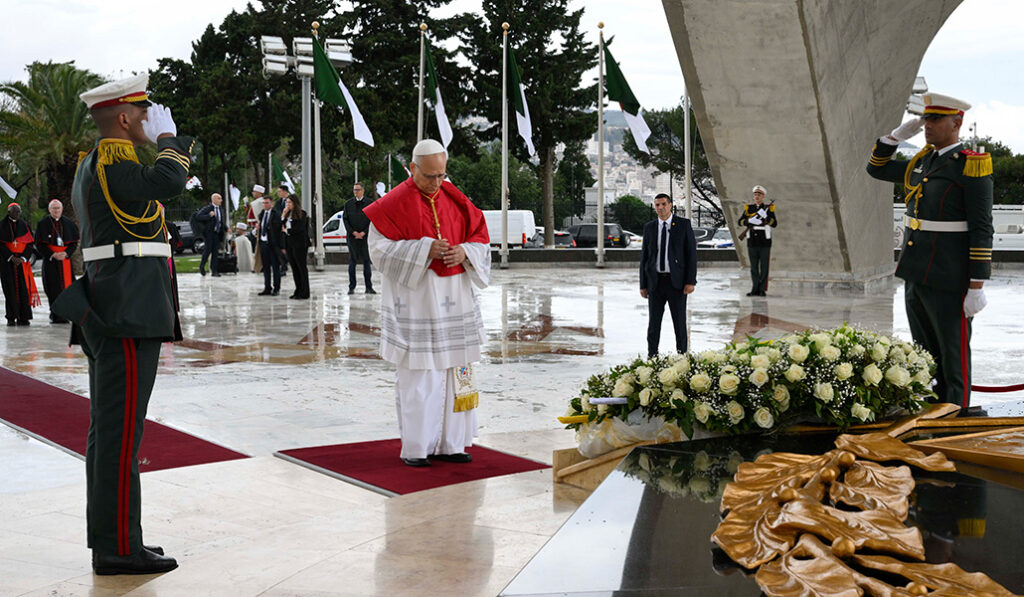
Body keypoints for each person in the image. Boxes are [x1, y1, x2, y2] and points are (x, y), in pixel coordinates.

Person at [51, 73, 188, 574]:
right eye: (146, 112)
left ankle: (120, 540)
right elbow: (167, 182)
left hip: (121, 306)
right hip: (125, 312)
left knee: (113, 432)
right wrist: (171, 141)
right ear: (125, 119)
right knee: (118, 435)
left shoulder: (104, 162)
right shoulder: (112, 159)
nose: (153, 120)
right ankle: (117, 549)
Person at [364, 139, 491, 467]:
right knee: (421, 375)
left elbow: (480, 238)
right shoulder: (392, 203)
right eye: (430, 176)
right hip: (418, 300)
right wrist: (423, 249)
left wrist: (464, 252)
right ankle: (418, 447)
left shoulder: (455, 197)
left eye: (441, 175)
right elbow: (378, 251)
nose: (437, 183)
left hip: (456, 298)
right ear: (412, 168)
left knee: (457, 371)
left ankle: (453, 443)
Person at [866, 93, 993, 407]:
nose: (928, 125)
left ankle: (955, 416)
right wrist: (893, 138)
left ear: (957, 123)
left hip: (950, 277)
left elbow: (981, 228)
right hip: (916, 271)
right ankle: (932, 411)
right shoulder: (922, 162)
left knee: (952, 355)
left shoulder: (970, 166)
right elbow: (876, 169)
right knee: (925, 354)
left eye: (936, 119)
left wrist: (976, 285)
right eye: (925, 119)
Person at [639, 193, 697, 357]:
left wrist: (690, 281)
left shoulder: (683, 225)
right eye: (657, 205)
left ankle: (682, 356)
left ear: (670, 205)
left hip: (676, 282)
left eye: (664, 204)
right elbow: (644, 257)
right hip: (655, 282)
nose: (661, 208)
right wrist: (643, 284)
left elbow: (691, 255)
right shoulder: (649, 227)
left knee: (679, 323)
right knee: (653, 324)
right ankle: (652, 356)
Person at [35, 199, 81, 323]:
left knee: (68, 288)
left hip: (65, 261)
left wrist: (66, 253)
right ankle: (55, 315)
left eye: (58, 208)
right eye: (54, 208)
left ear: (62, 209)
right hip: (51, 262)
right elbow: (39, 244)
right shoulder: (43, 224)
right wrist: (53, 254)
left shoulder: (69, 223)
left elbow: (73, 243)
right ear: (49, 210)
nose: (56, 211)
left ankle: (67, 314)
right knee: (52, 288)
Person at [0, 202, 39, 326]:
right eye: (14, 211)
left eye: (18, 211)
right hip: (7, 263)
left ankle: (24, 317)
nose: (17, 214)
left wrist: (23, 257)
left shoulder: (25, 225)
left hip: (22, 263)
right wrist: (11, 257)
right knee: (9, 290)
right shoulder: (2, 225)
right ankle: (11, 317)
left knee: (24, 290)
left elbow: (30, 243)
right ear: (9, 212)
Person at [737, 185, 778, 296]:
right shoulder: (749, 208)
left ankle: (762, 289)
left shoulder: (768, 208)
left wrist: (766, 218)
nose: (757, 196)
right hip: (752, 241)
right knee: (754, 267)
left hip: (764, 241)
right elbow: (740, 221)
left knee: (764, 267)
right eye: (755, 194)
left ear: (763, 196)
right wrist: (749, 221)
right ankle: (755, 288)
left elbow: (774, 223)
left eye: (759, 195)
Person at [342, 181, 375, 295]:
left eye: (357, 190)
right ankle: (351, 287)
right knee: (352, 261)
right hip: (352, 238)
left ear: (363, 190)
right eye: (354, 190)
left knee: (366, 261)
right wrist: (353, 232)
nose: (355, 192)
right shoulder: (348, 204)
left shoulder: (370, 203)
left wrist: (364, 232)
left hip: (365, 237)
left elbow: (372, 220)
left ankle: (369, 287)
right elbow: (345, 219)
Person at [282, 194, 310, 299]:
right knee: (294, 268)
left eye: (290, 202)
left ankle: (305, 292)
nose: (288, 204)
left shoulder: (302, 213)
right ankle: (297, 290)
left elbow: (299, 229)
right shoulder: (288, 214)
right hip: (290, 243)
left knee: (301, 267)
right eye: (287, 202)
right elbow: (281, 225)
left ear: (295, 203)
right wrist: (283, 215)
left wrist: (287, 231)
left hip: (300, 244)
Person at [256, 195, 284, 296]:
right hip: (263, 243)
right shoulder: (262, 214)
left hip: (273, 244)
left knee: (275, 267)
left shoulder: (276, 214)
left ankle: (276, 288)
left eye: (267, 203)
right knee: (265, 267)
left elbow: (278, 230)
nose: (265, 205)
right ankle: (267, 287)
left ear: (271, 203)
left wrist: (281, 246)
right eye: (263, 203)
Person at [197, 193, 226, 277]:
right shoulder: (208, 208)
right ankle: (202, 267)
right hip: (209, 234)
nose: (221, 200)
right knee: (207, 251)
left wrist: (226, 228)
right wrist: (208, 215)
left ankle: (214, 271)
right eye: (219, 198)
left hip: (217, 233)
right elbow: (198, 216)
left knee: (215, 252)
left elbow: (221, 221)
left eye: (221, 198)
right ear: (213, 199)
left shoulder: (221, 209)